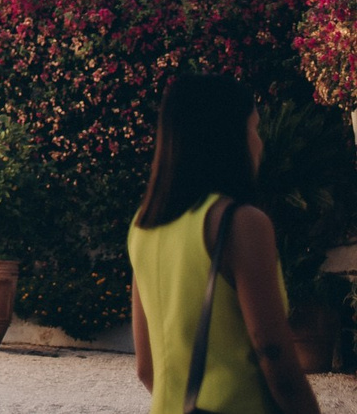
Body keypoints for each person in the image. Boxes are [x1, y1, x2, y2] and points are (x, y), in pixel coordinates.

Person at [129, 74, 320, 414]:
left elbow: (146, 368)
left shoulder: (144, 225)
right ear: (227, 138)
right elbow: (272, 351)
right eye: (254, 128)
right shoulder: (240, 223)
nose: (259, 142)